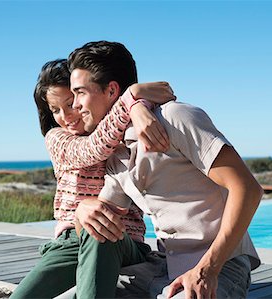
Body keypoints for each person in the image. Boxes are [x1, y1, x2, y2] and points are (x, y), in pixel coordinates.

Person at [54, 40, 263, 298]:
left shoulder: (176, 118)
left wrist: (206, 269)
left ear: (111, 90)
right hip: (160, 265)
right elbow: (103, 218)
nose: (74, 105)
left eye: (80, 93)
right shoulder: (116, 155)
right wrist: (83, 211)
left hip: (218, 266)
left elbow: (248, 188)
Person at [11, 59, 175, 298]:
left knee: (98, 222)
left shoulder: (122, 129)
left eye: (70, 103)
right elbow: (92, 148)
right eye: (55, 110)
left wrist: (137, 104)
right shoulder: (57, 138)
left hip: (125, 242)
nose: (66, 116)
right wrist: (131, 97)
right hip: (70, 243)